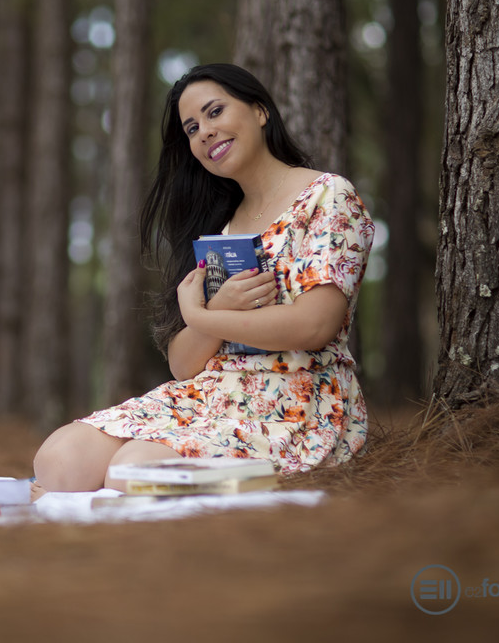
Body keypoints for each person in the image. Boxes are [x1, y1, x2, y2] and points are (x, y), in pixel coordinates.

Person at [33, 63, 375, 495]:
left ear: (259, 111)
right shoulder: (221, 228)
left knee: (133, 472)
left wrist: (203, 314)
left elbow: (314, 327)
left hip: (297, 399)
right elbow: (184, 365)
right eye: (192, 128)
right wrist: (212, 312)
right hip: (211, 393)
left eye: (215, 112)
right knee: (59, 461)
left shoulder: (327, 196)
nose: (204, 133)